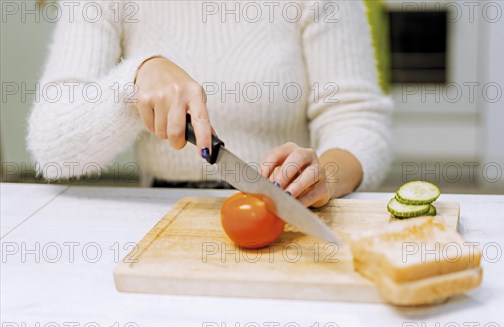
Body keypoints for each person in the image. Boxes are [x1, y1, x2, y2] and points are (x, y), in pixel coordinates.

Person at [28, 0, 391, 207]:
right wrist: (134, 80)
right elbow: (54, 149)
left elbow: (356, 116)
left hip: (286, 214)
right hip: (162, 220)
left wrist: (324, 175)